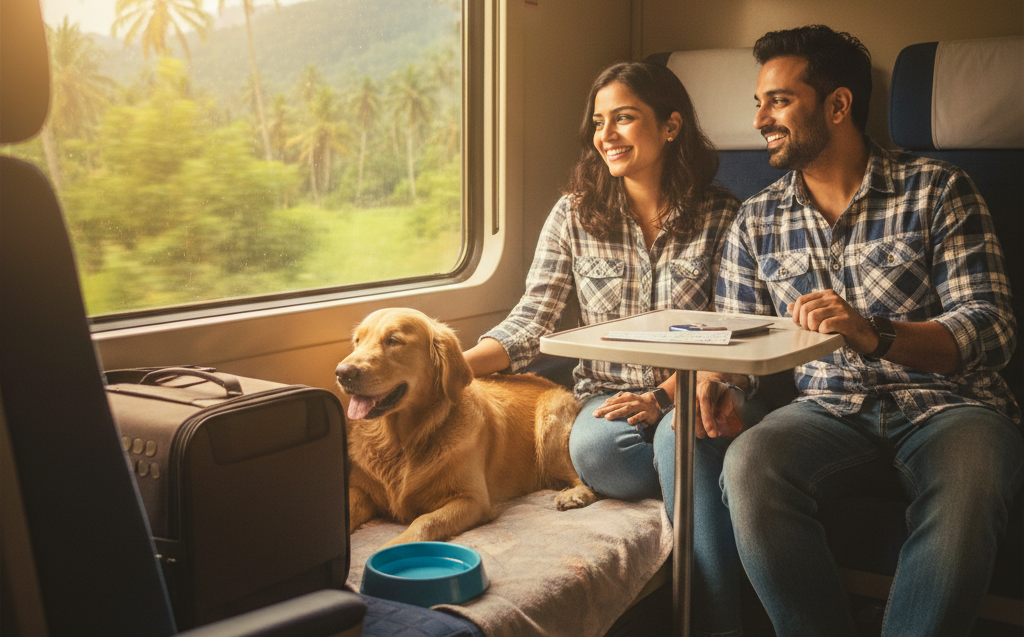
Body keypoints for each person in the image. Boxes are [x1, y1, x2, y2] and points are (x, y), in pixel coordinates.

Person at [699, 25, 1023, 636]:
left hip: (953, 407)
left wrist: (877, 333)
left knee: (974, 479)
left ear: (838, 105)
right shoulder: (756, 219)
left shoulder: (938, 190)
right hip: (828, 410)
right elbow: (736, 337)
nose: (761, 118)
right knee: (748, 464)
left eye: (780, 100)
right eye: (758, 102)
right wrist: (721, 381)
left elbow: (993, 326)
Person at [462, 61, 748, 637]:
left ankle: (719, 622)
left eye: (624, 118)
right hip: (608, 399)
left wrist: (667, 397)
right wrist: (449, 369)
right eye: (598, 122)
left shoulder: (722, 213)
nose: (606, 135)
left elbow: (733, 326)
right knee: (597, 454)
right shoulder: (573, 213)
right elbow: (532, 318)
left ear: (670, 127)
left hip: (696, 388)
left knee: (679, 436)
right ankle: (703, 472)